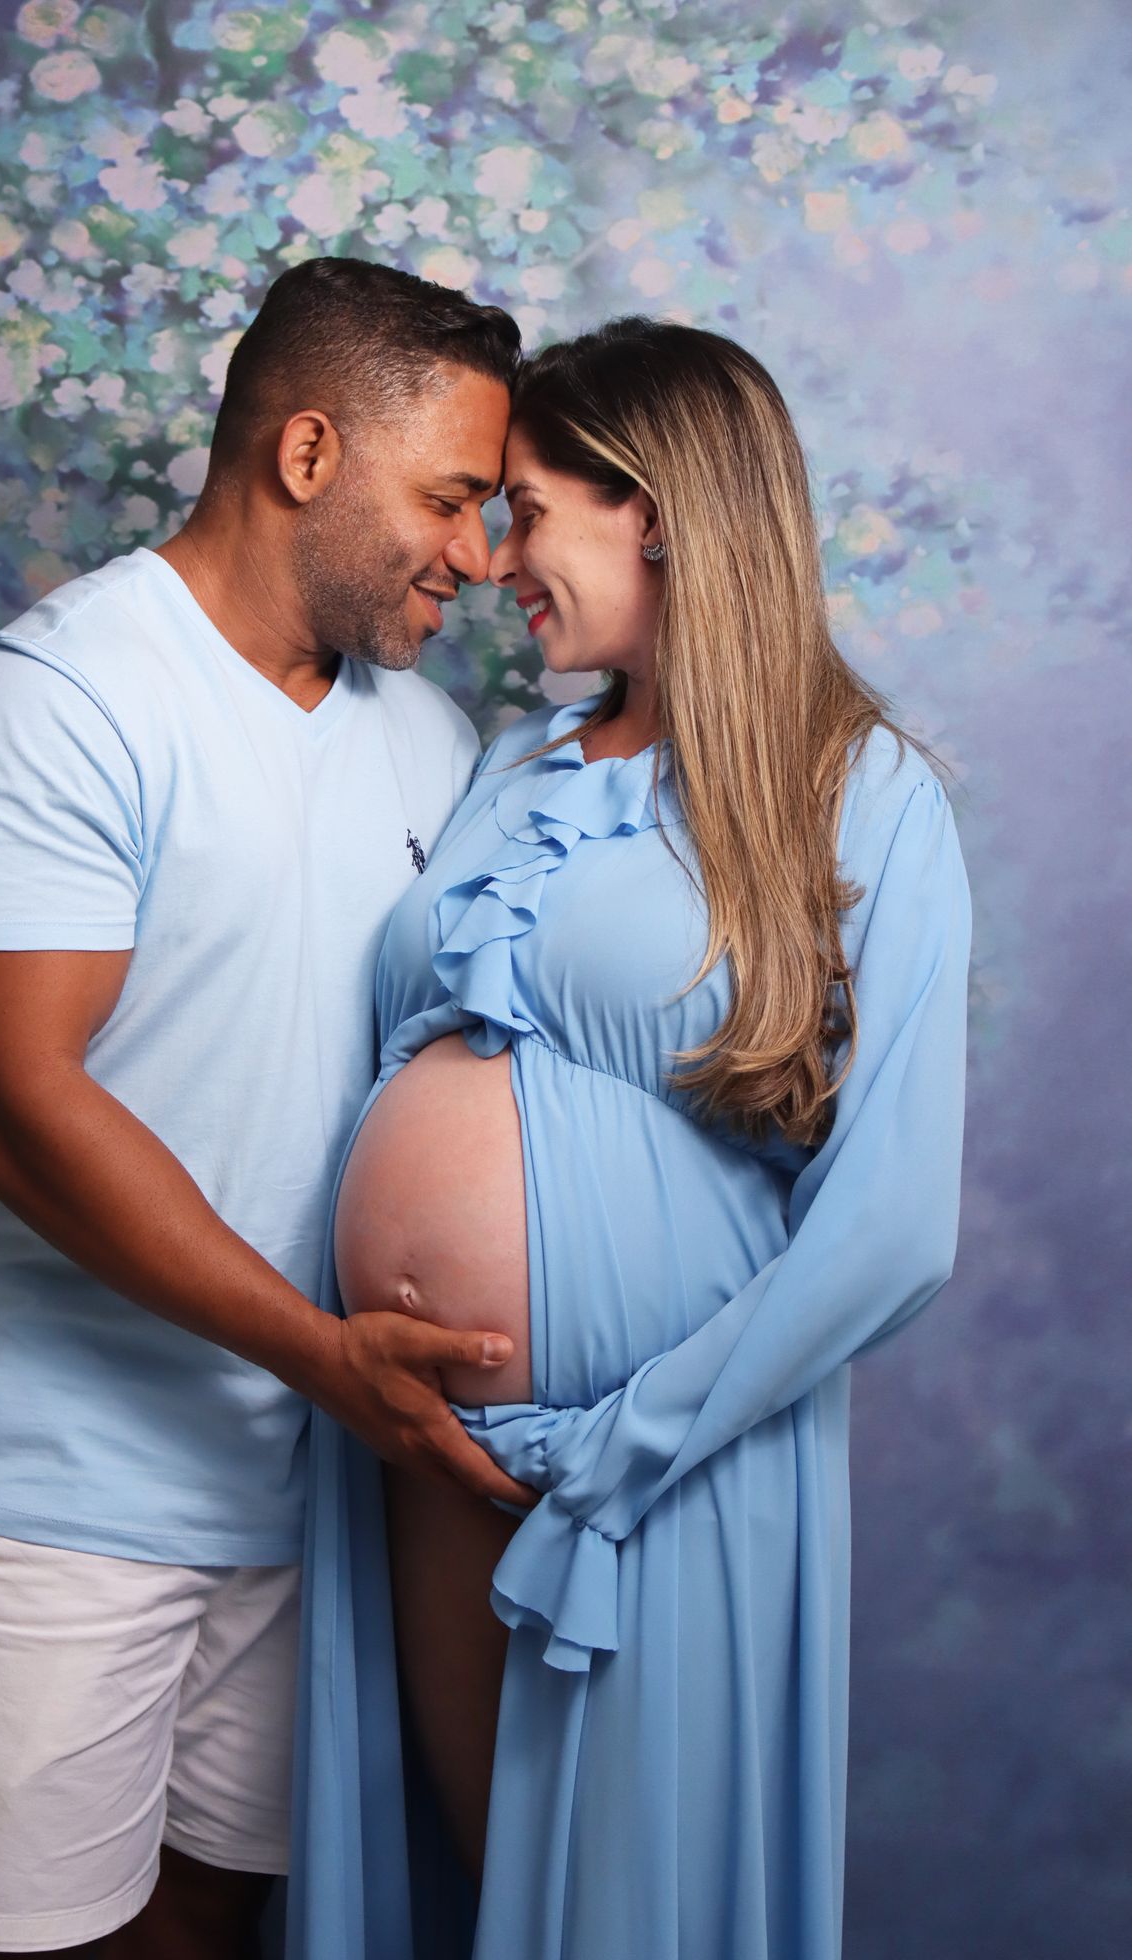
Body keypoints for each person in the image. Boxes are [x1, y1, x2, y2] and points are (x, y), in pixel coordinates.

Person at [0, 256, 535, 1959]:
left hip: (312, 1493)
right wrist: (321, 1354)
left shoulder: (431, 738)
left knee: (207, 1930)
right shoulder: (59, 701)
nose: (480, 556)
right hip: (63, 1487)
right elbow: (12, 1105)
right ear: (308, 454)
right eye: (449, 499)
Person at [289, 318, 972, 1959]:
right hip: (432, 1451)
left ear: (653, 511)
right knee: (478, 1908)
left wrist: (624, 1444)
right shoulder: (510, 762)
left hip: (662, 1473)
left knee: (622, 1923)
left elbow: (891, 1228)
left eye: (527, 512)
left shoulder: (861, 792)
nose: (495, 560)